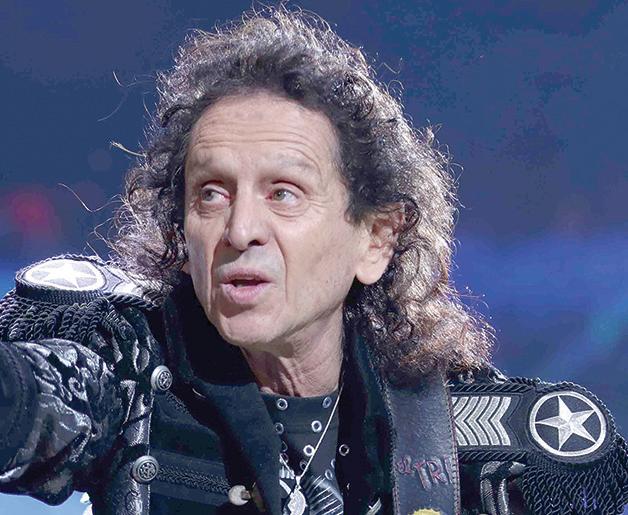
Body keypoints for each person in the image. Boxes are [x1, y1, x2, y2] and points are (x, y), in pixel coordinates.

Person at [0, 7, 626, 515]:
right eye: (211, 193)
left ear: (376, 239)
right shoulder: (125, 375)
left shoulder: (498, 446)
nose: (240, 229)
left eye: (284, 193)